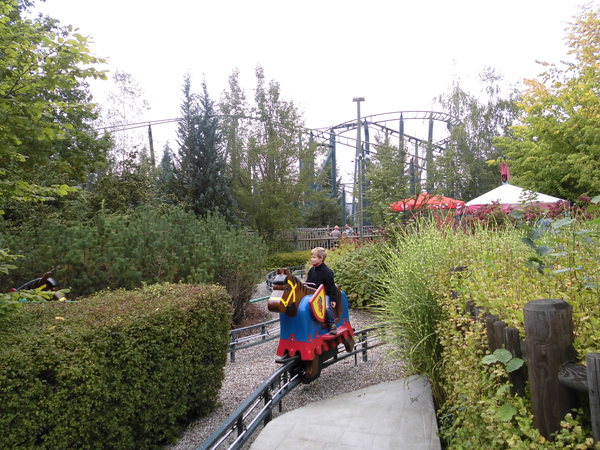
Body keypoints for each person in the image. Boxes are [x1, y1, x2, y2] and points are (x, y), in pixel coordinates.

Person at [306, 247, 338, 335]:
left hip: (324, 295)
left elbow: (331, 287)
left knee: (326, 306)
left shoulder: (327, 272)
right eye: (312, 257)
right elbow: (308, 283)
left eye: (314, 257)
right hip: (313, 294)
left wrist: (333, 299)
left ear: (321, 259)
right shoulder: (311, 270)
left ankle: (332, 325)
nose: (311, 259)